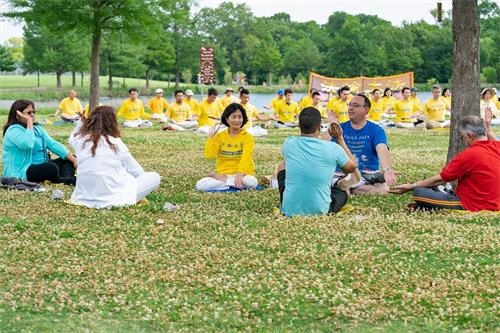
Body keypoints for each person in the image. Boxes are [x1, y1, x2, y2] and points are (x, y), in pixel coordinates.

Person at [390, 115, 499, 212]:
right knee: (434, 190)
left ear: (470, 136)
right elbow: (495, 140)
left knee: (419, 192)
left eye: (463, 137)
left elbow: (440, 179)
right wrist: (488, 130)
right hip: (495, 202)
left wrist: (411, 186)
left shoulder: (468, 155)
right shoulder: (497, 147)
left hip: (473, 204)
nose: (464, 141)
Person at [69, 106, 161, 208]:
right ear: (113, 123)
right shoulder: (116, 143)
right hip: (114, 200)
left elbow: (72, 137)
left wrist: (82, 122)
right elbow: (137, 172)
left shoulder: (79, 141)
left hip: (81, 198)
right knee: (154, 176)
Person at [277, 107, 357, 216]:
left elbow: (312, 147)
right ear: (319, 126)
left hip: (289, 210)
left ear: (299, 126)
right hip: (320, 210)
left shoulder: (289, 143)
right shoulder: (333, 148)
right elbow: (352, 168)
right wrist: (340, 139)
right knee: (344, 192)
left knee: (282, 165)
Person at [326, 94, 397, 195]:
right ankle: (351, 187)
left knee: (384, 188)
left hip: (367, 174)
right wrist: (332, 124)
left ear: (366, 109)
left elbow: (382, 149)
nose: (350, 108)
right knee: (380, 188)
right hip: (342, 174)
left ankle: (348, 188)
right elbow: (320, 143)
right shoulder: (340, 128)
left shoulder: (376, 130)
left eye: (355, 105)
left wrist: (387, 169)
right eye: (349, 105)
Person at [2, 99, 77, 185]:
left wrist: (74, 160)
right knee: (51, 167)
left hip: (42, 165)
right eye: (29, 113)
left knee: (70, 158)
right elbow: (27, 144)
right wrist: (29, 123)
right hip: (23, 170)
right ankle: (60, 179)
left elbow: (52, 143)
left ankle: (66, 178)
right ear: (18, 115)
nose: (32, 115)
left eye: (33, 112)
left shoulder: (37, 129)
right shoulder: (13, 130)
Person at [195, 103, 258, 191]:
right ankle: (233, 183)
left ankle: (225, 181)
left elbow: (246, 157)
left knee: (252, 182)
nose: (237, 120)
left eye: (240, 117)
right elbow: (210, 155)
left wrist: (239, 175)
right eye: (234, 117)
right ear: (227, 119)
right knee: (201, 185)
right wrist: (210, 138)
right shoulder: (220, 136)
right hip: (223, 173)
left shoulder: (247, 137)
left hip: (243, 174)